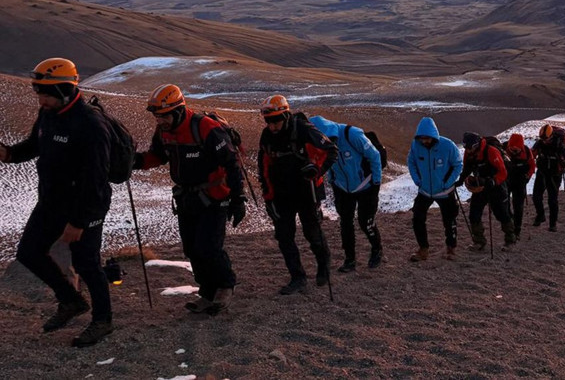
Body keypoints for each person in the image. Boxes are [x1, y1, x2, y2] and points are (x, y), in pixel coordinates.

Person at [0, 58, 114, 346]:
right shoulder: (48, 113)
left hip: (85, 206)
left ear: (64, 89)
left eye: (46, 93)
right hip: (51, 202)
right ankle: (71, 300)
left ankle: (103, 321)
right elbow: (34, 145)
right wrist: (9, 154)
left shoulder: (90, 124)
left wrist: (79, 222)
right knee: (29, 252)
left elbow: (96, 179)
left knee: (86, 263)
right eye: (38, 92)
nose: (41, 99)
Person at [134, 84, 245, 314]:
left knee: (209, 247)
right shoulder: (164, 131)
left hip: (215, 197)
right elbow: (158, 156)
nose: (159, 120)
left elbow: (231, 163)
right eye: (157, 116)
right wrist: (134, 162)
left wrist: (238, 198)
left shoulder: (206, 128)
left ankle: (225, 285)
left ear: (178, 111)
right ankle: (207, 292)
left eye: (163, 115)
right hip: (186, 198)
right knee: (192, 249)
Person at [256, 96, 338, 295]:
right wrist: (268, 196)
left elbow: (331, 150)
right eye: (268, 121)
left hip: (306, 190)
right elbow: (263, 167)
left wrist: (316, 169)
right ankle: (297, 277)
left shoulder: (303, 129)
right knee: (284, 237)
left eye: (275, 121)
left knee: (312, 232)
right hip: (281, 194)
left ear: (285, 115)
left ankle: (323, 264)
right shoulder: (266, 136)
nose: (272, 126)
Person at [310, 115, 383, 272]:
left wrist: (376, 182)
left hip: (366, 186)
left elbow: (375, 156)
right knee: (345, 223)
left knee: (366, 221)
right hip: (342, 188)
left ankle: (377, 249)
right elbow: (329, 163)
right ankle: (350, 259)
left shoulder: (352, 134)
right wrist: (332, 180)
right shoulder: (319, 143)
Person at [407, 117, 463, 261]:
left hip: (445, 191)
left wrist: (448, 182)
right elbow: (411, 162)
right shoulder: (416, 145)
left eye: (427, 138)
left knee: (449, 220)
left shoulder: (447, 145)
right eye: (422, 138)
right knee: (417, 219)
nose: (424, 141)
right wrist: (417, 180)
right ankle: (423, 249)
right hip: (425, 191)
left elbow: (458, 165)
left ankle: (451, 248)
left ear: (433, 135)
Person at [459, 133, 516, 250]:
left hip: (497, 186)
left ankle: (510, 239)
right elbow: (467, 168)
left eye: (469, 147)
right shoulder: (469, 153)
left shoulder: (491, 151)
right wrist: (461, 180)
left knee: (502, 214)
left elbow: (503, 172)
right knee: (474, 214)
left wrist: (492, 181)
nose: (467, 150)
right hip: (480, 186)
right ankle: (479, 241)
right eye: (465, 147)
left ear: (476, 145)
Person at [531, 124, 565, 231]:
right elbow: (532, 154)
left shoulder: (559, 144)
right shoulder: (539, 143)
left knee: (552, 199)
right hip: (542, 171)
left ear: (551, 136)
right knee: (536, 196)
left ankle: (553, 224)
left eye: (546, 139)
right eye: (542, 139)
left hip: (555, 173)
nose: (544, 141)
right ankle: (541, 215)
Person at [504, 133, 536, 239]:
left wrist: (527, 177)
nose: (513, 151)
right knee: (504, 204)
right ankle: (510, 221)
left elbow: (532, 166)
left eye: (516, 149)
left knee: (518, 206)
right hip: (506, 180)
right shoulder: (503, 149)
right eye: (511, 148)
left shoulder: (526, 151)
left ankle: (517, 229)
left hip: (520, 182)